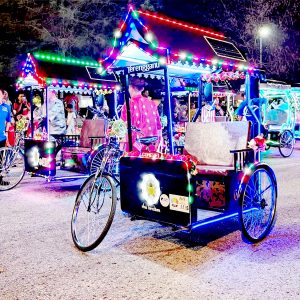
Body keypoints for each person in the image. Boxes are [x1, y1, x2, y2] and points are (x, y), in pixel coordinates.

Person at [120, 76, 162, 151]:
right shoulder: (151, 103)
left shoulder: (129, 103)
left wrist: (122, 145)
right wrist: (159, 139)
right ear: (142, 89)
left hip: (134, 144)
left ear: (130, 87)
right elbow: (158, 125)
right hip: (152, 142)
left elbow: (122, 125)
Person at [0, 89, 12, 186]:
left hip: (2, 137)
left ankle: (0, 179)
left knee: (1, 161)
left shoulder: (6, 107)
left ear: (3, 95)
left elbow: (8, 120)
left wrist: (7, 131)